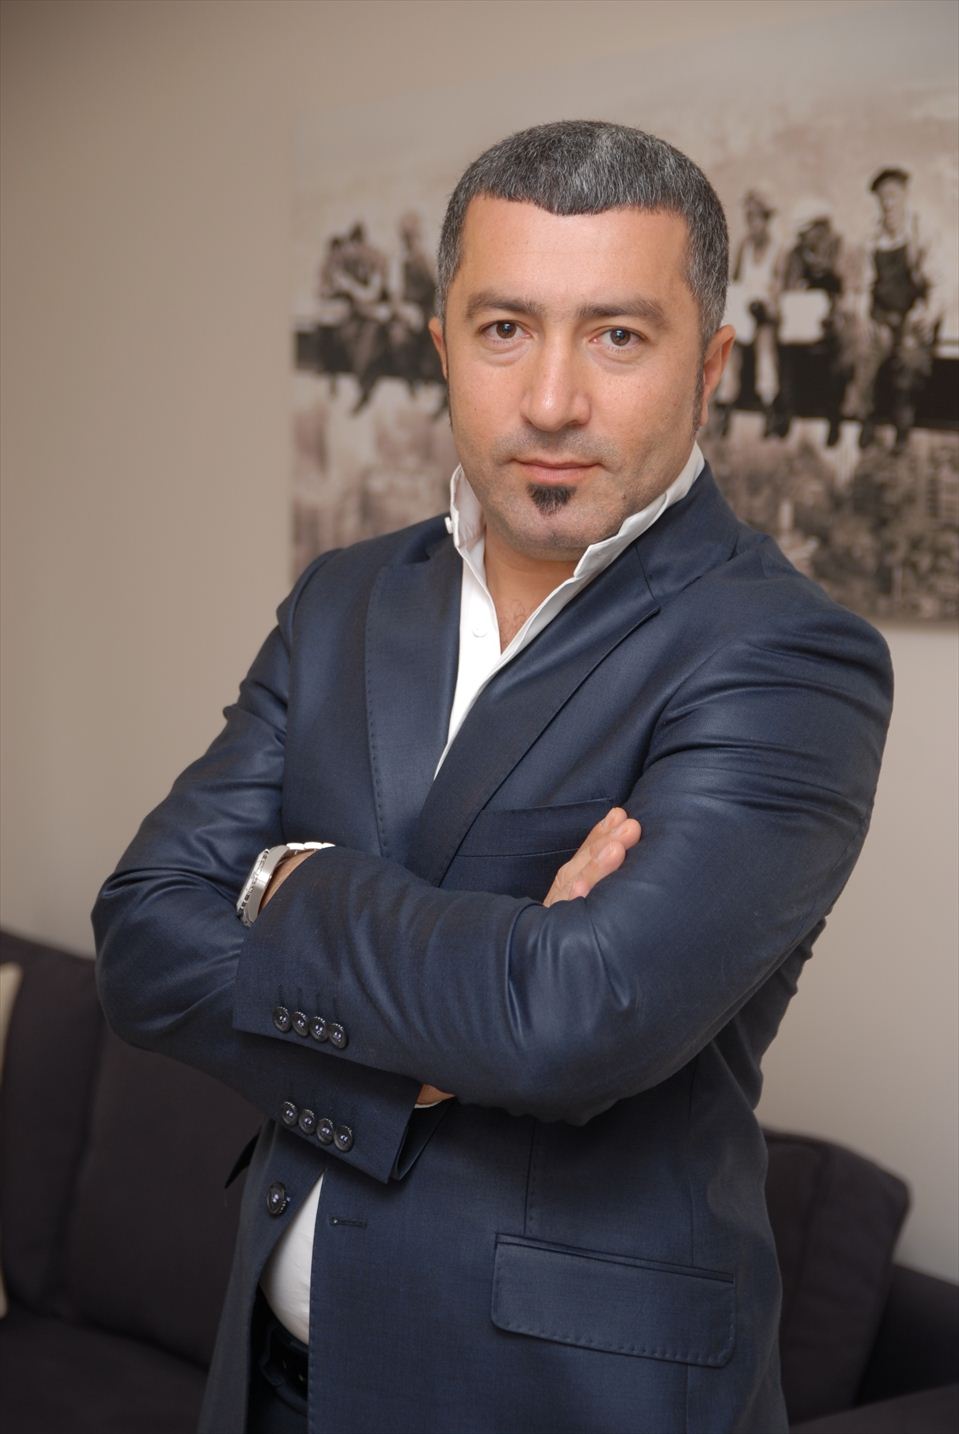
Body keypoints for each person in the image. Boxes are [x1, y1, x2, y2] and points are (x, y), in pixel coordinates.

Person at [93, 121, 892, 1434]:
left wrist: (286, 885)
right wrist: (465, 1001)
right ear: (441, 346)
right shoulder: (345, 599)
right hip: (272, 1380)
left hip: (557, 1398)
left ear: (710, 369)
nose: (550, 399)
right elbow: (140, 933)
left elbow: (572, 1019)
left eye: (616, 335)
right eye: (505, 328)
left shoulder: (785, 655)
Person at [843, 166, 943, 451]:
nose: (888, 205)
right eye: (883, 199)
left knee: (910, 357)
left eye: (893, 197)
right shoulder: (872, 239)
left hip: (914, 314)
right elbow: (864, 287)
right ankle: (866, 420)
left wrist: (928, 312)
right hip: (882, 316)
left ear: (905, 196)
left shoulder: (921, 233)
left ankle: (903, 424)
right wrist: (864, 317)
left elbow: (939, 283)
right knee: (864, 350)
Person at [715, 188, 780, 434]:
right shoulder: (745, 247)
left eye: (757, 219)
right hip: (744, 313)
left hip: (766, 314)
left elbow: (779, 287)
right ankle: (726, 404)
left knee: (765, 347)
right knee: (731, 347)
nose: (754, 225)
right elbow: (737, 282)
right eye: (750, 219)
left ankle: (768, 404)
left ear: (766, 220)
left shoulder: (777, 250)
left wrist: (766, 306)